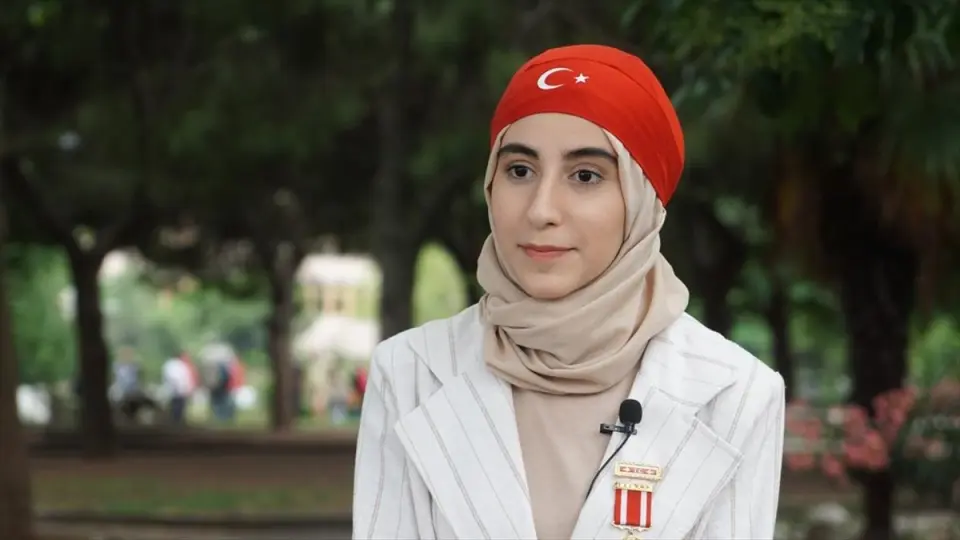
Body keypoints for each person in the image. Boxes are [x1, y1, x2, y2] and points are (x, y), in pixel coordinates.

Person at [352, 44, 786, 540]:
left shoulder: (737, 394)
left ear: (642, 201)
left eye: (585, 176)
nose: (541, 210)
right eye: (520, 170)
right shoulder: (408, 373)